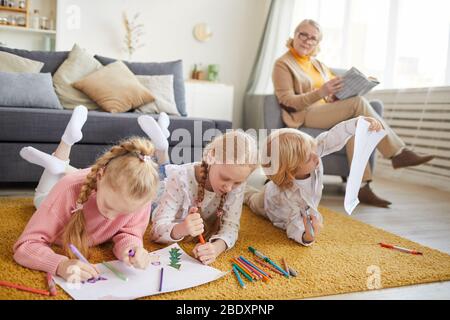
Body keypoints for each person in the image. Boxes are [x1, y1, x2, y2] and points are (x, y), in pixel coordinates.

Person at [272, 19, 434, 207]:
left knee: (356, 127)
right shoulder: (283, 64)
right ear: (294, 35)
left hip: (327, 110)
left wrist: (337, 95)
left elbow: (334, 91)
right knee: (357, 104)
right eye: (303, 35)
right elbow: (287, 101)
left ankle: (362, 187)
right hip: (304, 114)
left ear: (317, 43)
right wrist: (321, 92)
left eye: (313, 38)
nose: (307, 40)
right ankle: (397, 152)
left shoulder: (318, 65)